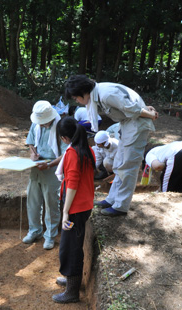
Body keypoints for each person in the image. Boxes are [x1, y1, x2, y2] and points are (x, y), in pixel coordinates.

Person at [65, 75, 158, 217]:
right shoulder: (100, 93)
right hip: (128, 125)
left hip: (137, 125)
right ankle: (112, 199)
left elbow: (133, 109)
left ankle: (121, 206)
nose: (77, 101)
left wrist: (150, 114)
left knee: (128, 166)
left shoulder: (106, 94)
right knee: (119, 164)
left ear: (83, 92)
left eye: (76, 97)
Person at [52, 117, 95, 303]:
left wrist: (65, 212)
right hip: (84, 205)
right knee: (73, 244)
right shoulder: (88, 150)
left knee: (71, 248)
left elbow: (72, 185)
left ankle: (72, 292)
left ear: (64, 138)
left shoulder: (72, 154)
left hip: (75, 208)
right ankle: (71, 281)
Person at [23, 100, 68, 250]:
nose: (41, 125)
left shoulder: (61, 127)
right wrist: (32, 152)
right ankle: (34, 230)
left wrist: (49, 164)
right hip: (36, 167)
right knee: (33, 201)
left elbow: (67, 153)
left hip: (53, 169)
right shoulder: (36, 123)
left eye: (43, 122)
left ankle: (50, 235)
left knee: (51, 204)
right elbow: (30, 141)